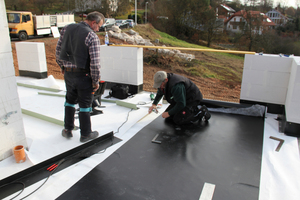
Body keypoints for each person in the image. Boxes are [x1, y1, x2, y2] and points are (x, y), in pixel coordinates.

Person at [55, 11, 104, 142]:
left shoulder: (67, 28)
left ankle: (68, 130)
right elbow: (95, 63)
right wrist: (95, 81)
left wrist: (63, 67)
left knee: (69, 101)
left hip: (69, 74)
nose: (98, 29)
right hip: (84, 75)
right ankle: (86, 134)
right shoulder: (92, 36)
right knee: (85, 105)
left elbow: (58, 51)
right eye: (99, 26)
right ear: (93, 23)